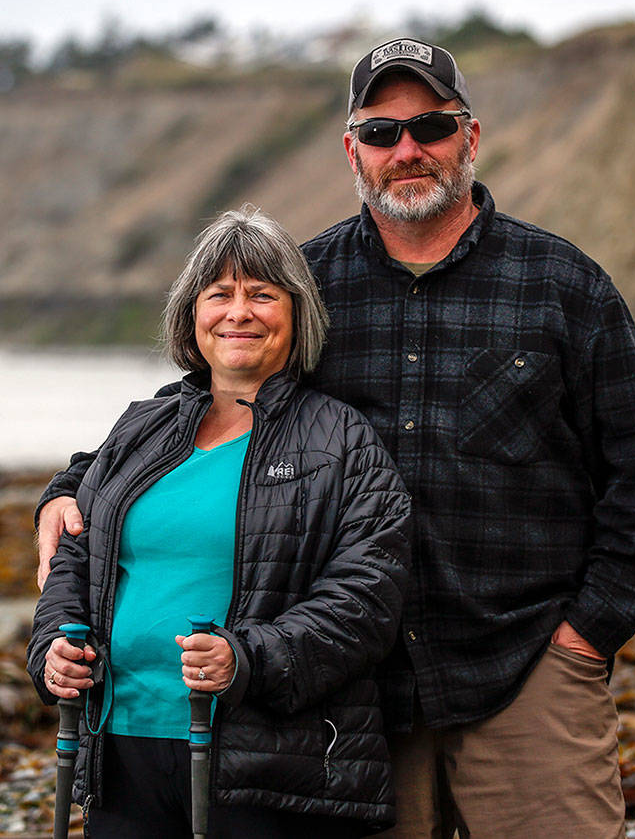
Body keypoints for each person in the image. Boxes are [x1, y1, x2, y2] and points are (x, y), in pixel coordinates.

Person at [36, 39, 635, 839]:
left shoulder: (562, 284)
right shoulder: (309, 284)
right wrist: (71, 488)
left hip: (528, 666)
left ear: (470, 139)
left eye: (431, 127)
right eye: (381, 133)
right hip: (360, 690)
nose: (406, 150)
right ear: (353, 149)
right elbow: (201, 405)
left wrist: (586, 636)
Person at [28, 208, 412, 838]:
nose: (240, 312)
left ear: (297, 315)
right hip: (122, 746)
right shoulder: (142, 428)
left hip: (267, 762)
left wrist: (248, 658)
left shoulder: (341, 439)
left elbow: (368, 598)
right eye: (219, 295)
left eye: (262, 294)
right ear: (192, 315)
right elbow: (76, 551)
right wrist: (51, 651)